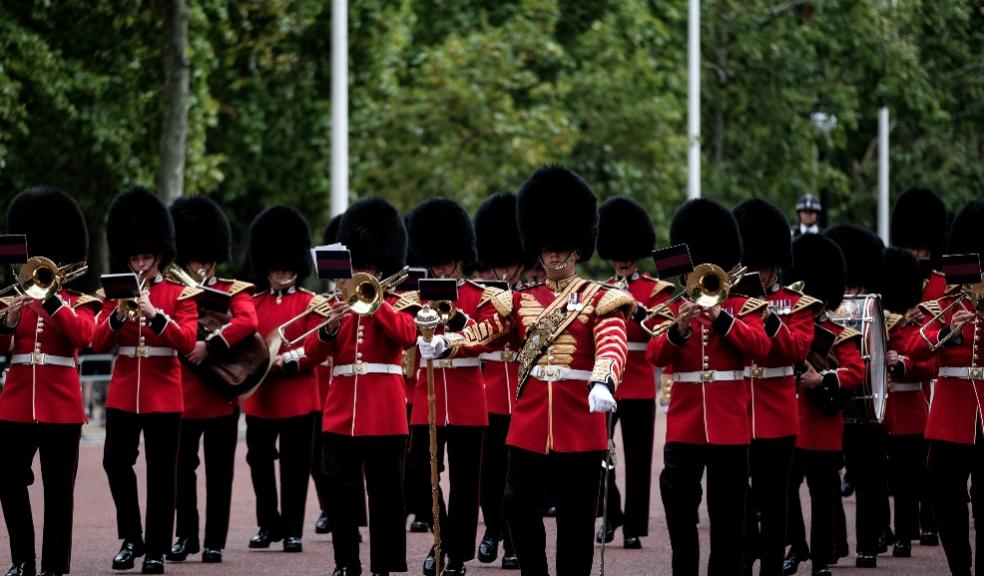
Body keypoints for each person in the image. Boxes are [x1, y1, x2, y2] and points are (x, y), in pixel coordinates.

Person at [417, 166, 632, 576]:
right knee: (515, 501)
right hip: (531, 420)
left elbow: (612, 342)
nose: (553, 255)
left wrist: (604, 378)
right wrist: (447, 342)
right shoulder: (520, 302)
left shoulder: (600, 298)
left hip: (579, 419)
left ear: (578, 249)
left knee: (575, 519)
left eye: (561, 247)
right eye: (547, 247)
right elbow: (487, 332)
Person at [648, 198, 771, 576]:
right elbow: (655, 354)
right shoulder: (673, 305)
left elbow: (761, 348)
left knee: (728, 516)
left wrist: (721, 318)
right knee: (679, 507)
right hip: (685, 424)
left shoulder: (743, 305)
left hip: (728, 426)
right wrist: (680, 328)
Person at [304, 197, 414, 576]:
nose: (360, 274)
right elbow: (310, 352)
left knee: (386, 495)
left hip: (384, 411)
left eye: (367, 267)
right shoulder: (335, 305)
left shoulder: (398, 300)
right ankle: (346, 561)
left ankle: (383, 565)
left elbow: (407, 335)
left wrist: (373, 302)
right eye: (358, 266)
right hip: (341, 412)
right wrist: (332, 324)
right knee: (337, 489)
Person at [92, 187, 199, 574]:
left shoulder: (178, 293)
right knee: (114, 462)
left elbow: (187, 341)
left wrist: (154, 314)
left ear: (159, 255)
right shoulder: (114, 293)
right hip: (124, 390)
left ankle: (155, 547)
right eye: (134, 256)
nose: (139, 263)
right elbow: (97, 340)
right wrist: (118, 316)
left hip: (164, 393)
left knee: (161, 473)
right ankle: (131, 537)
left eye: (145, 257)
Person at [0, 187, 101, 576]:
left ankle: (54, 567)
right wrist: (7, 323)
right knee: (7, 477)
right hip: (17, 402)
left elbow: (85, 337)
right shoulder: (14, 299)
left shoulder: (81, 301)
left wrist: (53, 300)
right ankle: (23, 560)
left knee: (59, 493)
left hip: (60, 405)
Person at [165, 196, 259, 564]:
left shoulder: (234, 290)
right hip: (183, 398)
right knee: (180, 474)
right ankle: (186, 535)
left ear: (216, 258)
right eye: (195, 259)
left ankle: (214, 541)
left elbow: (248, 322)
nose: (201, 265)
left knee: (219, 475)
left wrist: (211, 344)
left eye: (207, 259)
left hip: (220, 393)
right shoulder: (176, 292)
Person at [400, 197, 488, 576]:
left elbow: (488, 337)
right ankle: (442, 538)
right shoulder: (416, 297)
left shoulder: (481, 297)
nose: (440, 267)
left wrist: (456, 330)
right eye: (434, 260)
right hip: (427, 398)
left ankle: (454, 556)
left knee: (467, 485)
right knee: (420, 477)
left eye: (446, 260)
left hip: (468, 397)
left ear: (460, 259)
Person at [732, 199, 818, 576]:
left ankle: (772, 564)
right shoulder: (732, 301)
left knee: (775, 498)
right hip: (738, 410)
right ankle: (745, 553)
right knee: (739, 498)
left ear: (775, 265)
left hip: (778, 412)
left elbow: (798, 349)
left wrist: (768, 319)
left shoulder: (795, 304)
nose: (758, 273)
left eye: (763, 267)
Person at [905, 199, 984, 576]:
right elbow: (915, 345)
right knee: (942, 487)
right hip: (952, 410)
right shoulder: (950, 297)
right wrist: (948, 331)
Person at [782, 233, 864, 576]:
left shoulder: (839, 333)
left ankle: (819, 559)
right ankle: (796, 546)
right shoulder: (786, 330)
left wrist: (823, 379)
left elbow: (855, 371)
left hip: (823, 425)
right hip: (791, 422)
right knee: (785, 493)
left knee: (823, 498)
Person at [594, 196, 673, 550]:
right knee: (598, 452)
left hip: (640, 380)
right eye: (618, 255)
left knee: (639, 459)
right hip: (609, 379)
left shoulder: (655, 291)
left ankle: (633, 527)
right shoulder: (603, 289)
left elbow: (662, 334)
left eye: (628, 255)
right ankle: (611, 513)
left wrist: (639, 313)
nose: (623, 261)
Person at [244, 206, 322, 554]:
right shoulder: (254, 303)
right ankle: (267, 524)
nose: (282, 272)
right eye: (276, 267)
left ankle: (292, 529)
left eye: (287, 265)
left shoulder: (311, 303)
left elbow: (317, 348)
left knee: (295, 466)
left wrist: (289, 361)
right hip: (262, 396)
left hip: (298, 394)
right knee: (259, 463)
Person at [824, 224, 887, 568]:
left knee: (868, 476)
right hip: (832, 402)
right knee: (827, 474)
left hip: (866, 402)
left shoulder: (875, 310)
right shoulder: (822, 311)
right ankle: (835, 541)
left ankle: (867, 543)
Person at [473, 192, 525, 570]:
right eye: (498, 264)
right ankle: (492, 529)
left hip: (523, 395)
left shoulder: (534, 298)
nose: (504, 270)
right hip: (488, 394)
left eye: (510, 263)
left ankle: (512, 540)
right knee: (487, 474)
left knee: (518, 477)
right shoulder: (482, 298)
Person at [879, 247, 936, 558]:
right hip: (886, 409)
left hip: (912, 406)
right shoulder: (883, 324)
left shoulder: (919, 324)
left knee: (918, 475)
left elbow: (930, 366)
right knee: (893, 479)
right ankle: (895, 533)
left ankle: (920, 527)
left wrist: (902, 363)